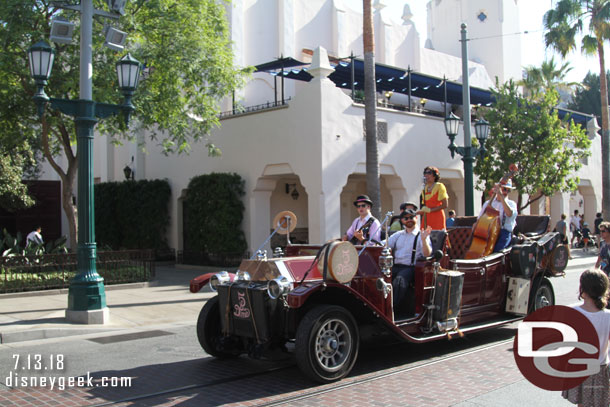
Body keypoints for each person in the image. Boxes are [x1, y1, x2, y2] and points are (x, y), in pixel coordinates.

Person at [561, 269, 610, 406]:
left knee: (581, 403)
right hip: (600, 369)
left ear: (582, 289)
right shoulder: (608, 316)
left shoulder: (571, 312)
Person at [386, 209, 432, 310]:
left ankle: (392, 309)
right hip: (395, 266)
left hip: (411, 268)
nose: (409, 220)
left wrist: (424, 240)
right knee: (381, 277)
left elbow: (427, 254)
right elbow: (384, 244)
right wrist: (363, 240)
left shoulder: (421, 235)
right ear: (402, 220)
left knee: (400, 280)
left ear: (416, 218)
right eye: (406, 218)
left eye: (411, 217)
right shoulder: (398, 235)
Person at [478, 179, 517, 252]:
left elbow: (509, 214)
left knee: (497, 252)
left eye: (508, 190)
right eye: (504, 189)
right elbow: (480, 219)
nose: (506, 192)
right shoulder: (488, 203)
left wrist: (502, 197)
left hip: (504, 233)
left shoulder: (512, 204)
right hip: (489, 233)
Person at [418, 166, 448, 230]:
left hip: (437, 217)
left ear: (435, 175)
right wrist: (416, 213)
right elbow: (426, 207)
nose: (426, 175)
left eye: (429, 173)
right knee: (424, 236)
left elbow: (445, 205)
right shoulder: (424, 188)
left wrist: (430, 210)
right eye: (425, 173)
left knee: (438, 237)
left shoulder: (439, 186)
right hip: (427, 217)